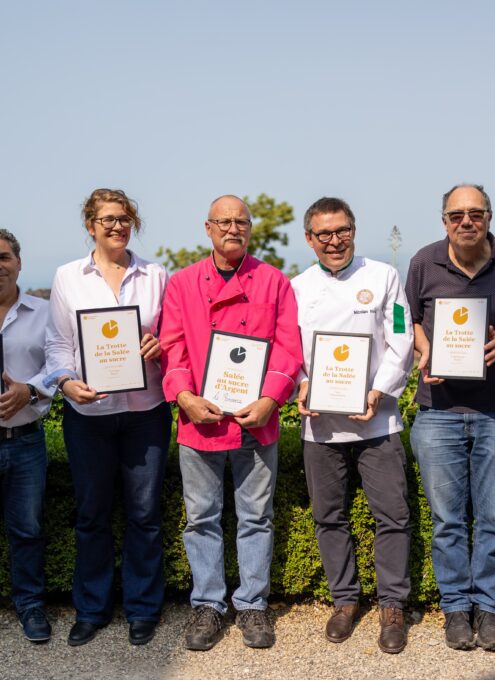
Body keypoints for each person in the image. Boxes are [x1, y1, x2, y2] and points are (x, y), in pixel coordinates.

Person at [159, 194, 302, 651]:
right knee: (200, 518)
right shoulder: (181, 283)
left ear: (251, 228)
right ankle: (208, 604)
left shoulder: (275, 281)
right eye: (224, 222)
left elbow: (288, 347)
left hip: (254, 421)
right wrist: (184, 396)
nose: (233, 229)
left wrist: (270, 399)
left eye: (241, 222)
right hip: (199, 420)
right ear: (208, 228)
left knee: (256, 517)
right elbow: (172, 345)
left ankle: (253, 605)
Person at [405, 183, 495, 652]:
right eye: (457, 214)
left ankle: (489, 608)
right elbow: (413, 321)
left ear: (488, 218)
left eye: (475, 214)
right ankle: (456, 609)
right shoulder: (423, 262)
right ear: (444, 220)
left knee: (494, 515)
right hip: (437, 412)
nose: (466, 222)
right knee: (446, 520)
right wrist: (425, 350)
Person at [45, 189, 171, 647]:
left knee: (144, 516)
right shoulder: (67, 277)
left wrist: (161, 345)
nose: (116, 227)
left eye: (124, 219)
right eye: (107, 219)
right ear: (90, 225)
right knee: (92, 515)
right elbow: (58, 345)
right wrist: (64, 382)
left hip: (145, 412)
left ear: (132, 223)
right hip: (88, 413)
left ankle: (142, 610)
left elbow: (173, 336)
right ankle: (92, 610)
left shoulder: (156, 275)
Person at [292, 197, 414, 653]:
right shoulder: (296, 287)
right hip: (320, 427)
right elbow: (288, 349)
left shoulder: (383, 275)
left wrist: (379, 390)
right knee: (328, 517)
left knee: (393, 516)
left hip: (377, 420)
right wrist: (302, 385)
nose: (334, 240)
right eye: (324, 233)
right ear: (310, 239)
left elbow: (400, 336)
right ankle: (344, 601)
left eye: (342, 230)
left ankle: (393, 605)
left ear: (354, 231)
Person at [0, 229, 54, 643]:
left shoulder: (44, 312)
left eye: (3, 257)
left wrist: (29, 390)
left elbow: (58, 365)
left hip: (25, 441)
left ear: (18, 262)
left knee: (27, 530)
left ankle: (31, 606)